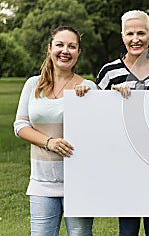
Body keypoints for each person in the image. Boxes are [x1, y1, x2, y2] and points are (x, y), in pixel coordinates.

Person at [13, 25, 96, 235]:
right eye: (60, 45)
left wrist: (88, 100)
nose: (65, 51)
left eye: (72, 46)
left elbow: (98, 134)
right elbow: (21, 125)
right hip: (41, 182)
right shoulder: (33, 84)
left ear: (79, 52)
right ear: (50, 49)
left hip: (78, 183)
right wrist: (49, 142)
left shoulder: (88, 88)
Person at [95, 10, 149, 236]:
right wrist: (106, 97)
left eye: (141, 33)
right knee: (127, 229)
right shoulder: (109, 72)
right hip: (124, 164)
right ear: (122, 37)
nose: (136, 39)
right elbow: (95, 118)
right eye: (130, 33)